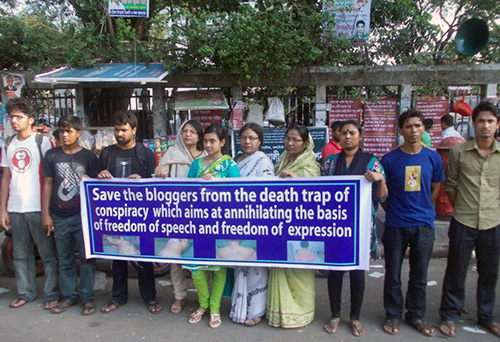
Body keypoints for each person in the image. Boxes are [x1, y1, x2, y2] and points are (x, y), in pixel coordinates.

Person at [380, 109, 444, 336]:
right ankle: (393, 314)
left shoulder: (433, 158)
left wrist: (425, 209)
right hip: (396, 224)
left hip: (424, 225)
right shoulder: (389, 159)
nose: (414, 130)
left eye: (418, 126)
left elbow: (436, 187)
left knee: (419, 275)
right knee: (393, 273)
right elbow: (383, 193)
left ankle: (416, 315)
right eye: (409, 126)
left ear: (424, 129)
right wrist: (395, 211)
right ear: (401, 130)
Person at [439, 101, 500, 338]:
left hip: (493, 221)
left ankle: (486, 316)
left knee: (489, 271)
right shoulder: (459, 152)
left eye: (490, 121)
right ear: (473, 125)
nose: (485, 126)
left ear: (497, 125)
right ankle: (450, 314)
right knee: (456, 269)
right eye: (481, 121)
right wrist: (462, 207)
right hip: (463, 219)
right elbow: (451, 186)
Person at [321, 119, 387, 337]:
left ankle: (355, 316)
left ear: (360, 136)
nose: (348, 136)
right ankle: (335, 314)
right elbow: (321, 191)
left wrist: (379, 179)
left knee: (358, 273)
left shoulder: (371, 162)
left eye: (353, 132)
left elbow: (382, 196)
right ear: (338, 136)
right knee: (335, 272)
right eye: (344, 133)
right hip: (335, 225)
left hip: (360, 227)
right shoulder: (330, 162)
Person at [97, 110, 163, 315]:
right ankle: (118, 297)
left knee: (144, 257)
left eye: (124, 130)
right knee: (117, 257)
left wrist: (141, 180)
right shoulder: (107, 153)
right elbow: (97, 182)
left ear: (134, 130)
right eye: (117, 130)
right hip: (115, 215)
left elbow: (153, 185)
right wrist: (100, 175)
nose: (119, 133)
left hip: (141, 216)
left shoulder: (145, 154)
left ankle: (150, 297)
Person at [0, 98, 59, 310]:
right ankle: (26, 292)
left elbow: (51, 177)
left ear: (30, 119)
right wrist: (3, 209)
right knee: (20, 254)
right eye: (12, 117)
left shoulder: (41, 142)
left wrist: (47, 210)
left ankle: (51, 293)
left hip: (38, 207)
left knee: (48, 255)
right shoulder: (8, 143)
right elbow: (6, 177)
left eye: (19, 117)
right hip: (16, 208)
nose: (14, 121)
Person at [41, 115, 98, 315]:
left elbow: (96, 186)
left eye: (69, 131)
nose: (64, 135)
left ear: (78, 133)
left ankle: (88, 298)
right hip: (59, 216)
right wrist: (45, 213)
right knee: (64, 259)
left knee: (87, 258)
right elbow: (47, 184)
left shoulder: (89, 157)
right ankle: (69, 296)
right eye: (62, 131)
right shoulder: (51, 155)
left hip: (82, 216)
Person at [186, 124, 240, 329]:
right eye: (205, 141)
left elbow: (238, 195)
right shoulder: (196, 164)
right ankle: (203, 305)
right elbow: (185, 191)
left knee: (218, 268)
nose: (208, 145)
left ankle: (215, 308)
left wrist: (217, 182)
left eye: (212, 141)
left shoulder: (229, 165)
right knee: (196, 268)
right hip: (198, 222)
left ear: (222, 142)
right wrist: (200, 182)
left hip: (221, 223)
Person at [267, 124, 320, 328]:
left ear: (305, 143)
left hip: (301, 224)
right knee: (281, 264)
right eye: (287, 138)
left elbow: (316, 192)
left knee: (300, 266)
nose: (290, 143)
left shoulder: (309, 164)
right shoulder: (282, 159)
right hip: (280, 222)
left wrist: (296, 180)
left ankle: (301, 313)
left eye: (295, 139)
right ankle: (279, 312)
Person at [154, 119, 206, 314]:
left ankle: (205, 298)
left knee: (203, 256)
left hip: (202, 215)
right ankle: (179, 296)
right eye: (185, 131)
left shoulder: (208, 155)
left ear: (199, 135)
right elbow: (160, 177)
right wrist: (159, 170)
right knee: (176, 256)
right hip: (177, 213)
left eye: (193, 131)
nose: (188, 135)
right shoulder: (172, 154)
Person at [230, 123, 274, 327]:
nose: (247, 141)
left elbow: (267, 192)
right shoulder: (235, 161)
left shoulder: (263, 162)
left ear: (260, 141)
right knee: (240, 263)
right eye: (244, 137)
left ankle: (256, 311)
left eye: (252, 138)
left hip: (256, 221)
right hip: (236, 220)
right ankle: (239, 307)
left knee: (256, 266)